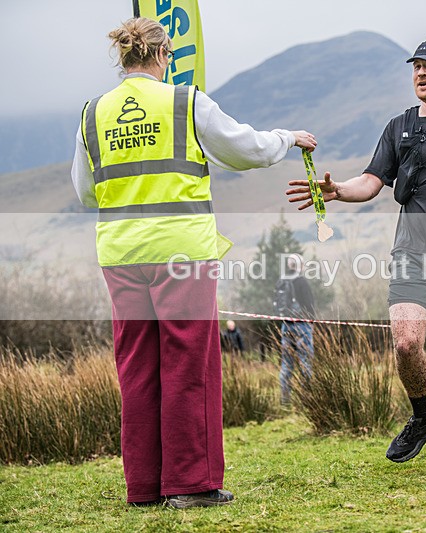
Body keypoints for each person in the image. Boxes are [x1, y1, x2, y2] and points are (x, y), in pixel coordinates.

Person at [71, 18, 317, 508]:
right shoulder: (185, 101)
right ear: (164, 55)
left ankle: (142, 488)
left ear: (123, 58)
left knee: (136, 367)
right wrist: (289, 138)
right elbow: (246, 149)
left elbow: (83, 192)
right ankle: (190, 485)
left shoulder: (91, 112)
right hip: (182, 251)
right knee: (189, 363)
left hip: (119, 253)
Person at [287, 39, 426, 475]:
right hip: (411, 252)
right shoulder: (400, 127)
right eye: (416, 67)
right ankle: (423, 415)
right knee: (407, 343)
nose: (420, 73)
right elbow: (371, 181)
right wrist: (336, 192)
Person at [274, 253, 315, 404]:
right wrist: (311, 323)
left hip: (286, 325)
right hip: (302, 325)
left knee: (286, 363)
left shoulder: (281, 281)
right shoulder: (301, 282)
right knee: (305, 361)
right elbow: (309, 305)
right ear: (300, 266)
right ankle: (308, 399)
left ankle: (285, 401)